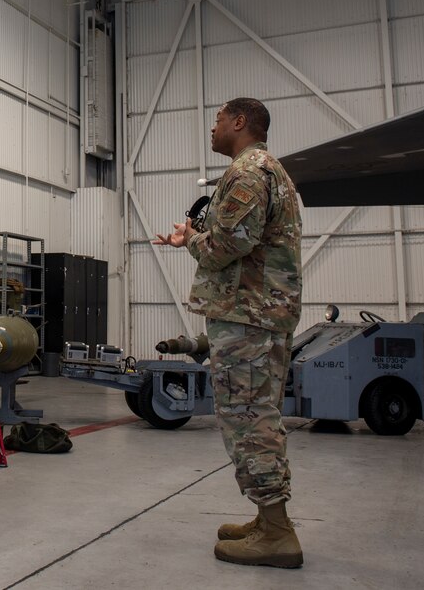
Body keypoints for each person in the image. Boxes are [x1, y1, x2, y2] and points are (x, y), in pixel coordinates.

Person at [153, 97, 303, 569]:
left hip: (248, 318)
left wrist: (193, 240)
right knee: (257, 414)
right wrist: (192, 238)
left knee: (249, 419)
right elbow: (236, 241)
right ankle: (267, 518)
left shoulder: (247, 172)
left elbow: (225, 246)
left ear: (240, 122)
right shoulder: (266, 171)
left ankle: (277, 533)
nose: (212, 128)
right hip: (258, 315)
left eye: (217, 121)